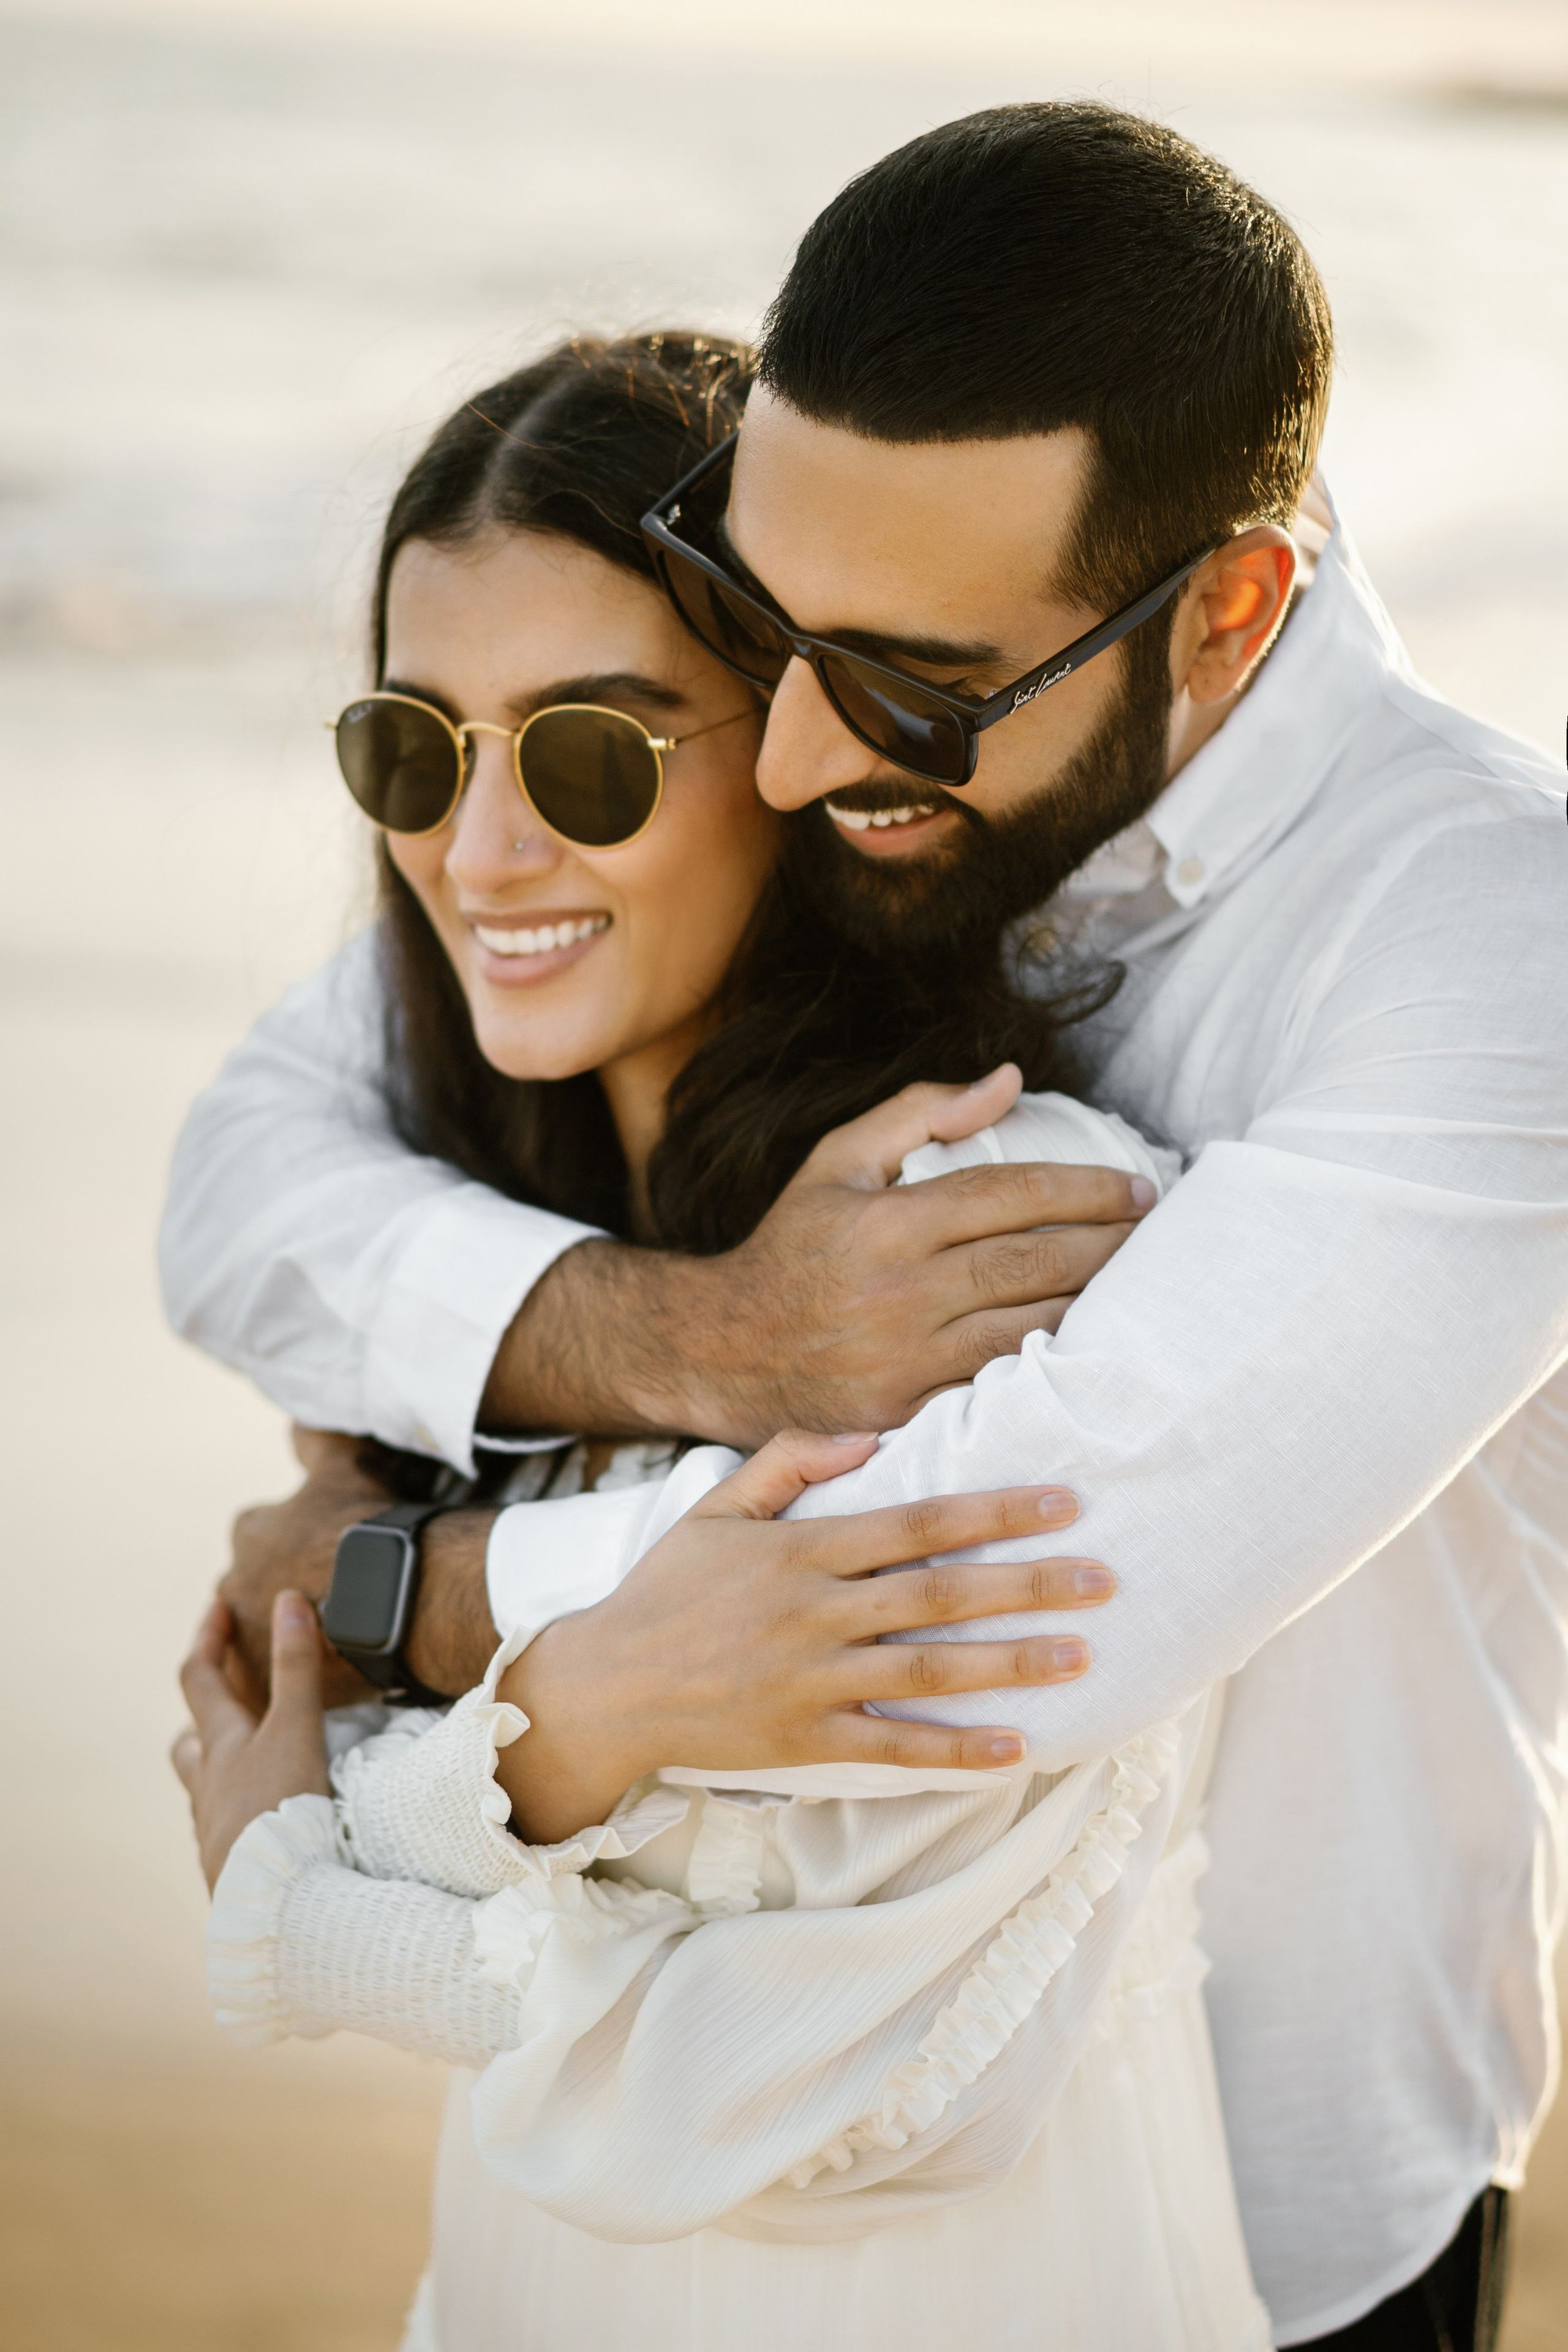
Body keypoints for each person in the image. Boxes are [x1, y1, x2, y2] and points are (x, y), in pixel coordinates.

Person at [161, 104, 1567, 2350]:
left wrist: (402, 1597)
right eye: (763, 630)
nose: (802, 755)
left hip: (1277, 2185)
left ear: (1226, 611)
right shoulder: (819, 758)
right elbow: (250, 1187)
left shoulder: (1496, 943)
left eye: (902, 685)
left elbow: (1000, 1601)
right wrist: (701, 1337)